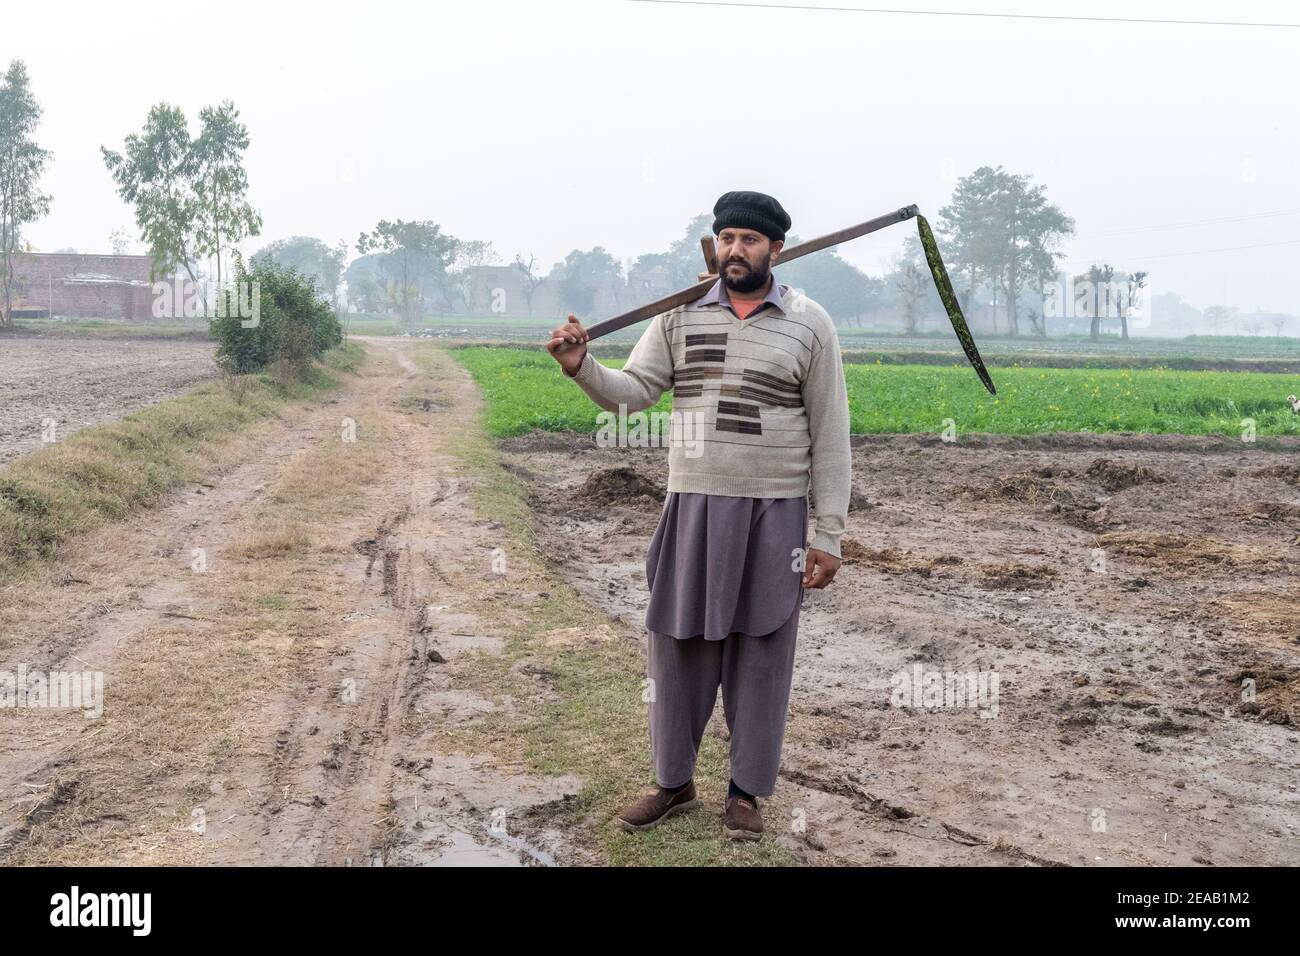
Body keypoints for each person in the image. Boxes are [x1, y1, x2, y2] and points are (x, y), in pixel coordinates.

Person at [547, 190, 851, 840]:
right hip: (692, 509)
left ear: (777, 249)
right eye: (728, 237)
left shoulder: (809, 324)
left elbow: (831, 436)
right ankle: (673, 782)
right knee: (678, 646)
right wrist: (582, 368)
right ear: (715, 245)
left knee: (761, 651)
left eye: (750, 239)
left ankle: (746, 792)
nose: (736, 249)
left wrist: (828, 533)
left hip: (774, 516)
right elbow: (632, 393)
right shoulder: (680, 317)